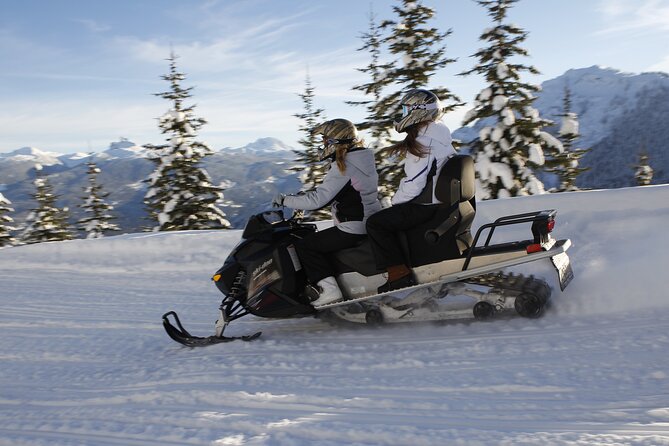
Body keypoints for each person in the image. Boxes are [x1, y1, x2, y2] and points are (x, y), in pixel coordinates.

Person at [273, 119, 382, 306]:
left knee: (306, 246)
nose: (323, 144)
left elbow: (319, 200)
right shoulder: (361, 159)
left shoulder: (346, 165)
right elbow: (336, 192)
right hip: (369, 220)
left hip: (354, 226)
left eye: (326, 140)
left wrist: (286, 200)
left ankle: (328, 292)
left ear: (336, 141)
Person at [366, 89, 457, 293]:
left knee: (376, 223)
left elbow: (414, 182)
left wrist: (396, 202)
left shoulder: (424, 141)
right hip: (439, 202)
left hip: (425, 205)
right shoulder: (440, 135)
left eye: (406, 108)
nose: (404, 113)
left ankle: (399, 274)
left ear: (419, 111)